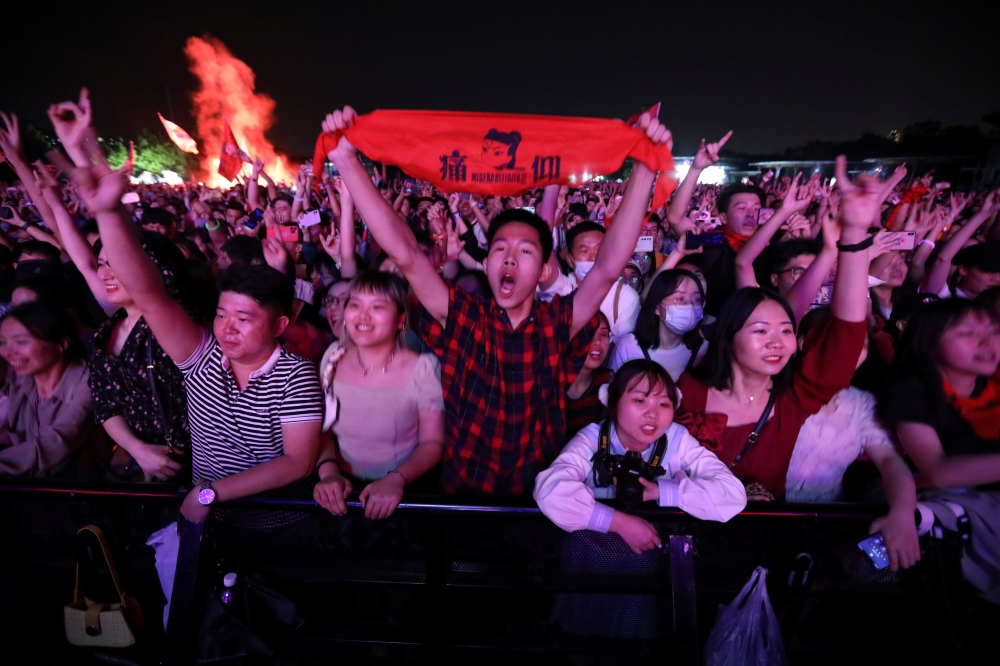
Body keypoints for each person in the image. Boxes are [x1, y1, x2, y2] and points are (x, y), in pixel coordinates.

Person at [322, 105, 673, 495]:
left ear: (543, 269)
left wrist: (643, 168)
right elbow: (406, 253)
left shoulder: (558, 321)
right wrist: (346, 161)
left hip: (536, 496)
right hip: (463, 493)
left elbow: (608, 266)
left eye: (525, 251)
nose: (509, 257)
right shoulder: (462, 316)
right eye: (500, 248)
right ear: (487, 264)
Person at [51, 90, 323, 522]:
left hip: (275, 522)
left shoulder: (295, 376)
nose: (227, 328)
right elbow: (151, 296)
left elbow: (297, 462)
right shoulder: (202, 360)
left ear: (280, 325)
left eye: (244, 318)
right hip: (208, 523)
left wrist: (211, 494)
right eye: (221, 314)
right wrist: (108, 212)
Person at [673, 156, 907, 501]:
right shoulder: (687, 391)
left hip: (762, 546)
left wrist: (854, 236)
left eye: (785, 331)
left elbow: (845, 337)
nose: (777, 342)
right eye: (760, 331)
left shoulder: (793, 398)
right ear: (727, 338)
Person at [536, 359, 746, 545]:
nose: (653, 414)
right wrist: (618, 523)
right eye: (639, 400)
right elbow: (549, 491)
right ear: (612, 401)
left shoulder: (677, 440)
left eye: (664, 403)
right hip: (588, 556)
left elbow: (733, 495)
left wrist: (662, 491)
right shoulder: (593, 440)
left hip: (654, 557)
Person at [880, 298, 1000, 602]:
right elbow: (939, 471)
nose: (987, 342)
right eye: (967, 333)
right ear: (929, 344)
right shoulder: (910, 389)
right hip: (931, 499)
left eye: (994, 330)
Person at [785, 307, 920, 571]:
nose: (847, 352)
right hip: (764, 515)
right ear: (802, 343)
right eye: (833, 341)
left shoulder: (860, 403)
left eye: (860, 344)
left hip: (829, 521)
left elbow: (890, 462)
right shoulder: (772, 391)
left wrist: (903, 513)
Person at [313, 271, 444, 519]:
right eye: (355, 304)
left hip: (403, 490)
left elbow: (432, 443)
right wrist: (329, 474)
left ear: (400, 320)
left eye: (377, 306)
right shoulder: (333, 357)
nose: (363, 315)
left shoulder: (423, 368)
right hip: (342, 489)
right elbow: (323, 430)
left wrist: (396, 479)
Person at [0, 302, 105, 476]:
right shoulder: (18, 379)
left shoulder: (88, 382)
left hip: (79, 491)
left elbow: (58, 440)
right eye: (2, 342)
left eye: (20, 342)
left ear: (62, 343)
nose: (8, 352)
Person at [609, 269, 707, 380]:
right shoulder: (629, 346)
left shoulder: (704, 351)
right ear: (656, 306)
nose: (690, 306)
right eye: (680, 299)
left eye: (697, 299)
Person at [565, 312, 613, 438]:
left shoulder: (608, 382)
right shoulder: (547, 381)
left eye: (603, 334)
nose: (597, 341)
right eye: (588, 333)